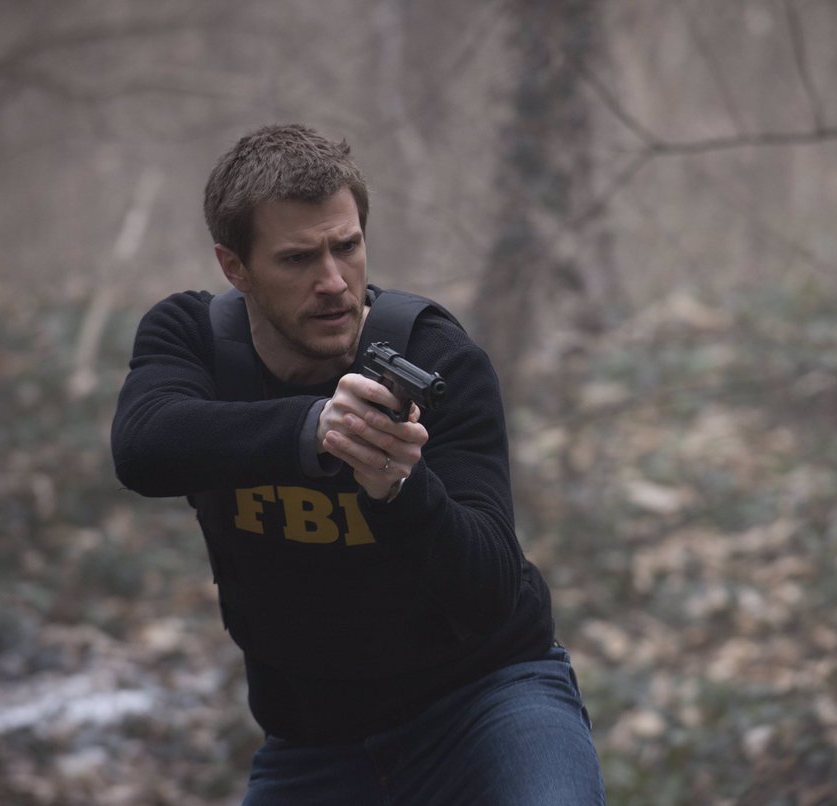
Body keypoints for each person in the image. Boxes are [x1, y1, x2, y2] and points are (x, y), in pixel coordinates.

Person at [111, 123, 605, 804]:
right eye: (297, 259)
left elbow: (491, 590)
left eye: (346, 247)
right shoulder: (193, 338)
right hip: (313, 742)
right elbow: (143, 446)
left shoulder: (437, 358)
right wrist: (315, 428)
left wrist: (402, 490)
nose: (332, 282)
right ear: (235, 267)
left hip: (488, 703)